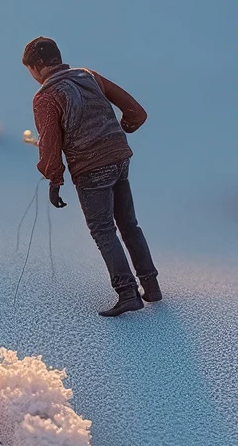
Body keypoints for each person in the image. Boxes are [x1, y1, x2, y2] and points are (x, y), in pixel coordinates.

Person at [23, 36, 161, 316]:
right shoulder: (88, 76)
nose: (33, 78)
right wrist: (118, 131)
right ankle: (151, 286)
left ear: (38, 66)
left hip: (91, 167)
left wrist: (54, 178)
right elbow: (137, 112)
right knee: (128, 224)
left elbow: (50, 144)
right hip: (120, 158)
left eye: (30, 71)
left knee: (103, 229)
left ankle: (127, 293)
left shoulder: (46, 97)